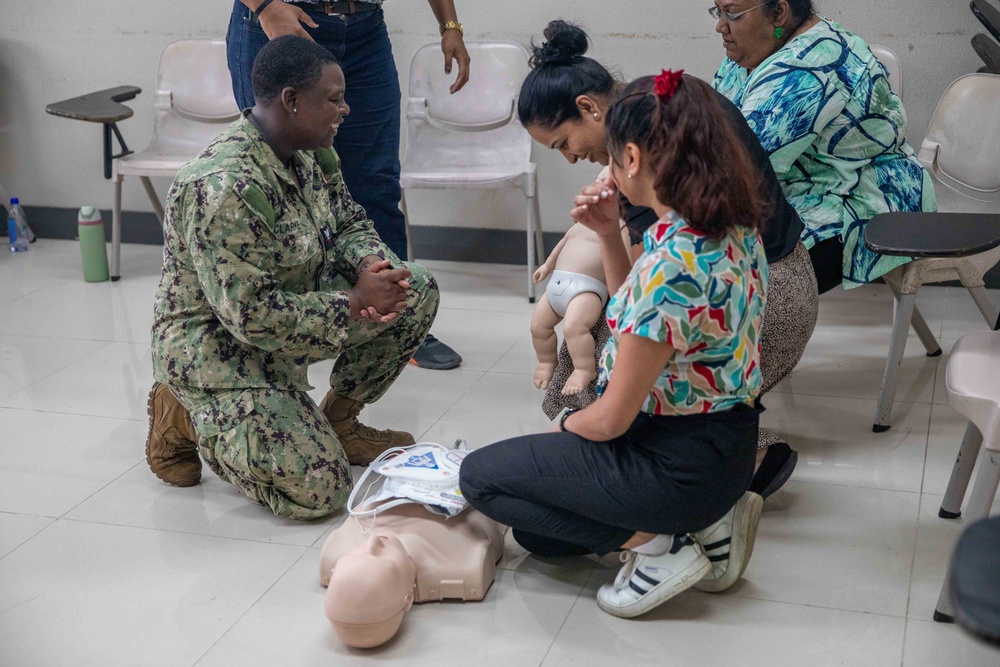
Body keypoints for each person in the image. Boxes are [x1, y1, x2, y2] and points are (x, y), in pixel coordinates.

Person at [460, 70, 769, 618]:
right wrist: (607, 233)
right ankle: (706, 523)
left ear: (630, 157)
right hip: (722, 444)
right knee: (540, 538)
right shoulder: (727, 229)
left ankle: (662, 548)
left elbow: (609, 422)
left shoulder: (674, 262)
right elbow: (640, 323)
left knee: (480, 479)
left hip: (674, 459)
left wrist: (565, 427)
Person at [518, 20, 817, 498]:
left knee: (596, 378)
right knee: (597, 369)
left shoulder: (647, 180)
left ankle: (729, 467)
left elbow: (634, 302)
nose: (572, 161)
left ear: (590, 109)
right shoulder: (668, 101)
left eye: (563, 145)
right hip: (773, 276)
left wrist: (582, 421)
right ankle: (724, 460)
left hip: (763, 302)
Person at [147, 36, 439, 521]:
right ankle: (182, 410)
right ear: (291, 99)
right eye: (334, 98)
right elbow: (252, 316)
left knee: (414, 289)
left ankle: (340, 422)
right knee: (321, 491)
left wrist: (371, 268)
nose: (345, 108)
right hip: (220, 352)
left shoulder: (309, 154)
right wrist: (350, 302)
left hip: (289, 322)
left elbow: (348, 223)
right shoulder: (224, 186)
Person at [227, 0, 468, 369]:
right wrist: (264, 7)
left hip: (364, 27)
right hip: (282, 15)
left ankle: (395, 318)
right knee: (279, 178)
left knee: (377, 184)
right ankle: (273, 332)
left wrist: (449, 23)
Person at [710, 0, 936, 293]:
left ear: (779, 12)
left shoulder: (808, 66)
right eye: (717, 10)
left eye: (732, 13)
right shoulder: (747, 51)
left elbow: (732, 167)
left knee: (729, 281)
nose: (720, 25)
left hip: (860, 200)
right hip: (790, 186)